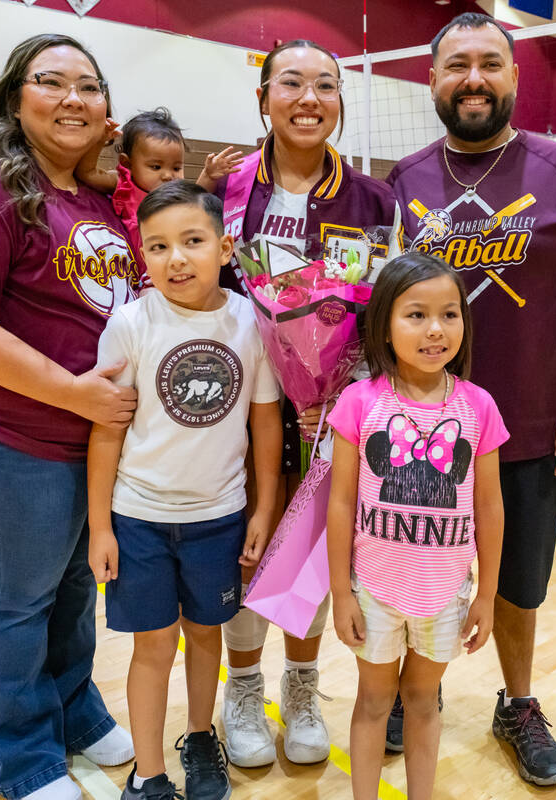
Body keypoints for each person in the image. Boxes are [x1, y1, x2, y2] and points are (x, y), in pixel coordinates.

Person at [385, 12, 556, 786]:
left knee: (519, 580)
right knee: (408, 568)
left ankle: (518, 702)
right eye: (456, 64)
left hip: (528, 426)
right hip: (418, 427)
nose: (473, 78)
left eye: (490, 63)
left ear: (515, 78)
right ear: (430, 79)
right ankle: (408, 688)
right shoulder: (405, 179)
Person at [0, 33, 141, 800]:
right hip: (13, 440)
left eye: (91, 87)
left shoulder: (96, 201)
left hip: (94, 443)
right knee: (22, 597)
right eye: (52, 82)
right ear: (16, 99)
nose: (74, 98)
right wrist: (75, 393)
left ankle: (74, 713)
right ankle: (19, 756)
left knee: (78, 589)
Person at [211, 38, 402, 770]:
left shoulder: (374, 201)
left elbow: (385, 306)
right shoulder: (222, 195)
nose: (308, 98)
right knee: (243, 545)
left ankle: (299, 686)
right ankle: (243, 685)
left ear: (341, 106)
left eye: (326, 85)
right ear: (263, 98)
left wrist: (350, 395)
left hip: (332, 417)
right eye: (290, 83)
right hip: (235, 414)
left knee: (314, 546)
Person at [88, 180, 282, 800]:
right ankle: (148, 776)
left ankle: (201, 738)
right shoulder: (129, 323)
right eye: (158, 246)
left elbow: (264, 421)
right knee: (153, 648)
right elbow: (105, 433)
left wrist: (265, 507)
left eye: (192, 242)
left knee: (206, 638)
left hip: (219, 519)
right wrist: (99, 526)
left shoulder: (251, 322)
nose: (176, 258)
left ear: (225, 247)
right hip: (138, 519)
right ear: (141, 255)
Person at [326, 251, 505, 800]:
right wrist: (341, 593)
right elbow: (339, 504)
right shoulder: (359, 403)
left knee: (424, 702)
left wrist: (487, 595)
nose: (435, 329)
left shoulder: (479, 407)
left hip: (446, 592)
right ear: (384, 323)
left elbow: (491, 508)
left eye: (450, 314)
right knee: (374, 702)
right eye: (417, 314)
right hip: (374, 593)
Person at [78, 107, 241, 256]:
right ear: (128, 164)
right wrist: (98, 141)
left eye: (176, 168)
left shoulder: (176, 195)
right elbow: (87, 174)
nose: (168, 176)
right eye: (156, 167)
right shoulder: (122, 183)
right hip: (126, 268)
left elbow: (195, 198)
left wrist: (209, 175)